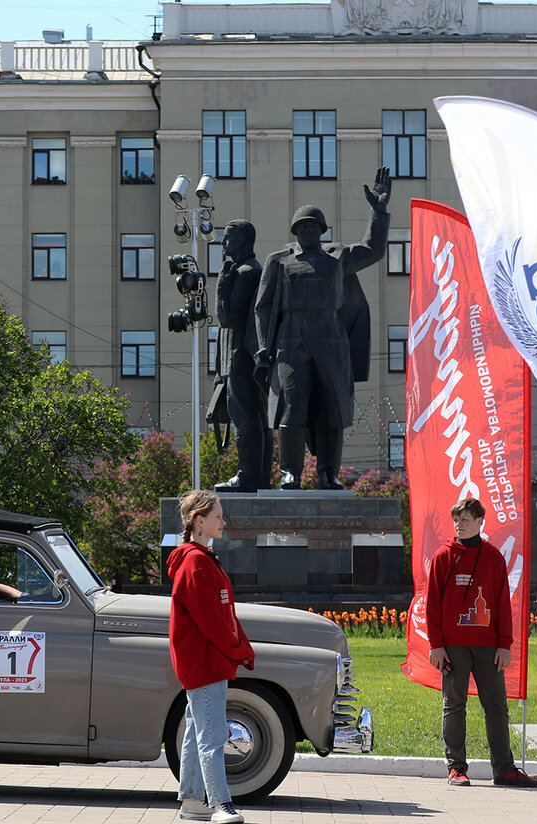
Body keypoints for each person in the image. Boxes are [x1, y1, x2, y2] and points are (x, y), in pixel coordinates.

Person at [254, 167, 390, 490]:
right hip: (291, 340)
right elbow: (262, 306)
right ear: (296, 231)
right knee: (293, 405)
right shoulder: (279, 261)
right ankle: (290, 471)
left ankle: (328, 473)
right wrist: (263, 346)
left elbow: (373, 249)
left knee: (332, 408)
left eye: (314, 227)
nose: (309, 232)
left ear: (322, 231)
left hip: (331, 339)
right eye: (303, 227)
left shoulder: (337, 257)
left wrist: (379, 211)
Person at [426, 497, 537, 788]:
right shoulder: (443, 556)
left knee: (497, 707)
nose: (459, 525)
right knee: (454, 705)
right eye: (456, 520)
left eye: (465, 520)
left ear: (480, 522)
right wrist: (436, 644)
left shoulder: (493, 557)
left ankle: (504, 770)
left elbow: (503, 603)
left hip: (489, 647)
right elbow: (432, 605)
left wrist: (505, 644)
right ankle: (456, 768)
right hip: (453, 647)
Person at [166, 490, 255, 824]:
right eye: (217, 516)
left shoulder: (199, 559)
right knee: (213, 736)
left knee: (196, 731)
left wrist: (239, 646)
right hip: (204, 664)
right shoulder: (195, 563)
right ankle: (220, 804)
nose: (223, 521)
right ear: (199, 521)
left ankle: (192, 802)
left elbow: (223, 614)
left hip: (204, 662)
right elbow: (213, 622)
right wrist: (241, 650)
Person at [213, 219, 272, 493]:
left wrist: (222, 283)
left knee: (246, 417)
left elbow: (228, 318)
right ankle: (257, 477)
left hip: (241, 356)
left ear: (244, 240)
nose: (223, 242)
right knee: (255, 416)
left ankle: (249, 477)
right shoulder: (246, 270)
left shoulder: (246, 272)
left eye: (227, 237)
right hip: (236, 356)